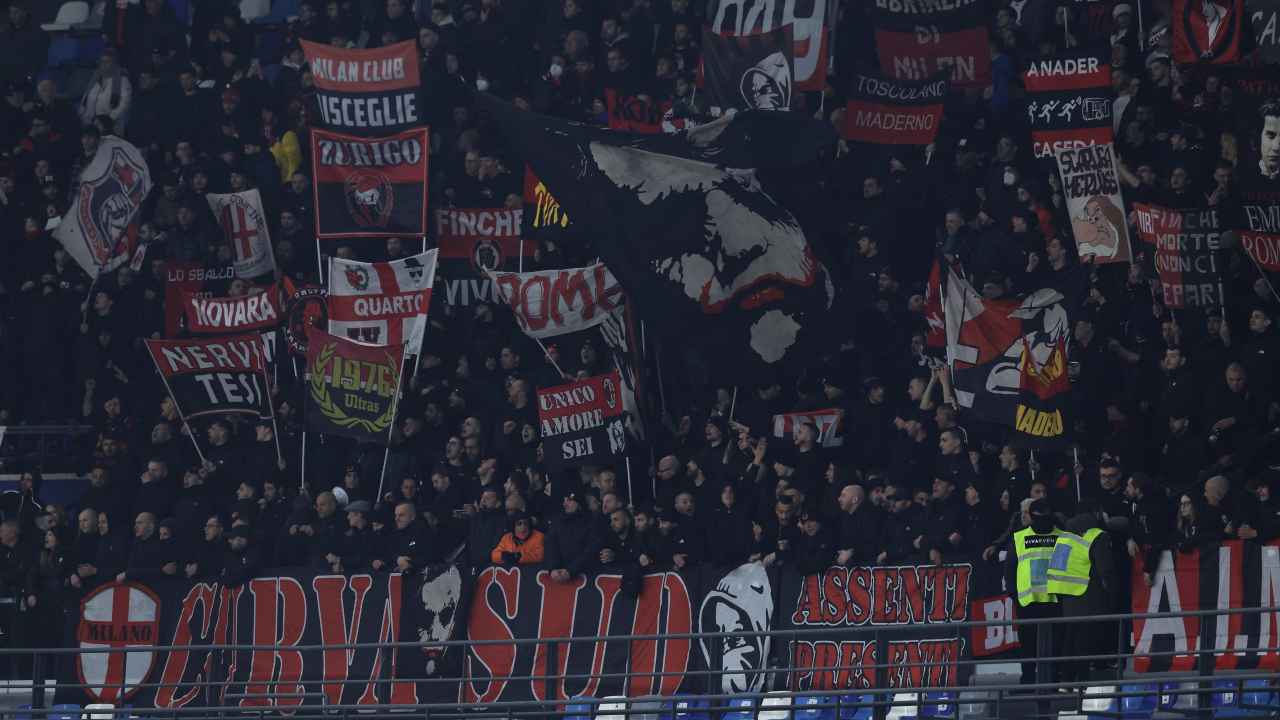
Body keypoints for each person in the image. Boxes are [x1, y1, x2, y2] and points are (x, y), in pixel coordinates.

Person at [1048, 501, 1117, 681]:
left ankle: (1067, 680)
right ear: (1096, 512)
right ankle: (1083, 682)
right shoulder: (1097, 535)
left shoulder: (1065, 536)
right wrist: (1110, 592)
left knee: (1070, 639)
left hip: (1067, 593)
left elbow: (1058, 564)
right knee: (1084, 641)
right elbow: (1106, 569)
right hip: (1089, 592)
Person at [1007, 499, 1064, 684]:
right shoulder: (1062, 537)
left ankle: (1032, 682)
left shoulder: (1019, 537)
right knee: (1049, 646)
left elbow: (1009, 570)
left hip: (1033, 601)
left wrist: (1014, 595)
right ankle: (1049, 681)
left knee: (1034, 646)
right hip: (1051, 600)